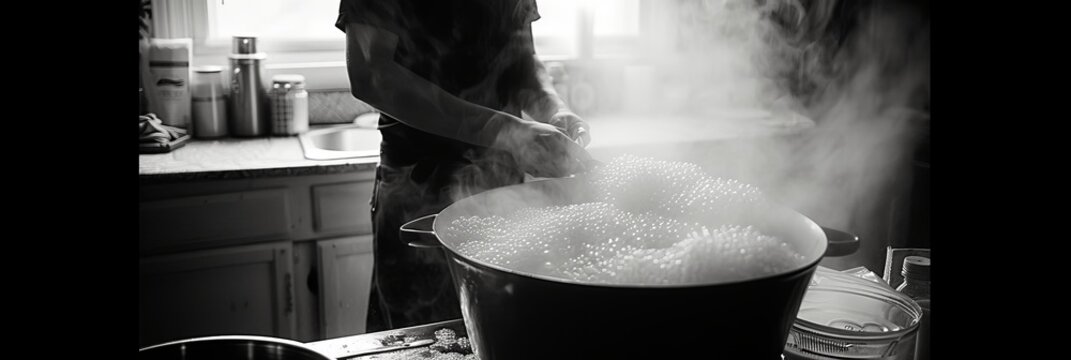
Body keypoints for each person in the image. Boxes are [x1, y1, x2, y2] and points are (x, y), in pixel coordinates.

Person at [335, 0, 593, 332]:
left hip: (506, 193)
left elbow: (521, 60)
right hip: (417, 191)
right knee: (422, 338)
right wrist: (504, 130)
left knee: (504, 329)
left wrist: (553, 108)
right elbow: (371, 73)